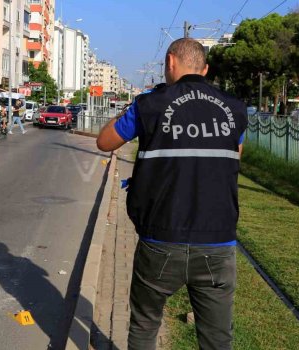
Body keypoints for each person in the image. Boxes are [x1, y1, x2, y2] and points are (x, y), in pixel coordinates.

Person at [96, 38, 248, 350]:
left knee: (144, 324)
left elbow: (105, 142)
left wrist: (137, 106)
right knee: (217, 339)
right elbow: (234, 158)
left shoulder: (149, 105)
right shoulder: (235, 109)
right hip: (218, 242)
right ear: (205, 70)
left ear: (169, 62)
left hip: (161, 239)